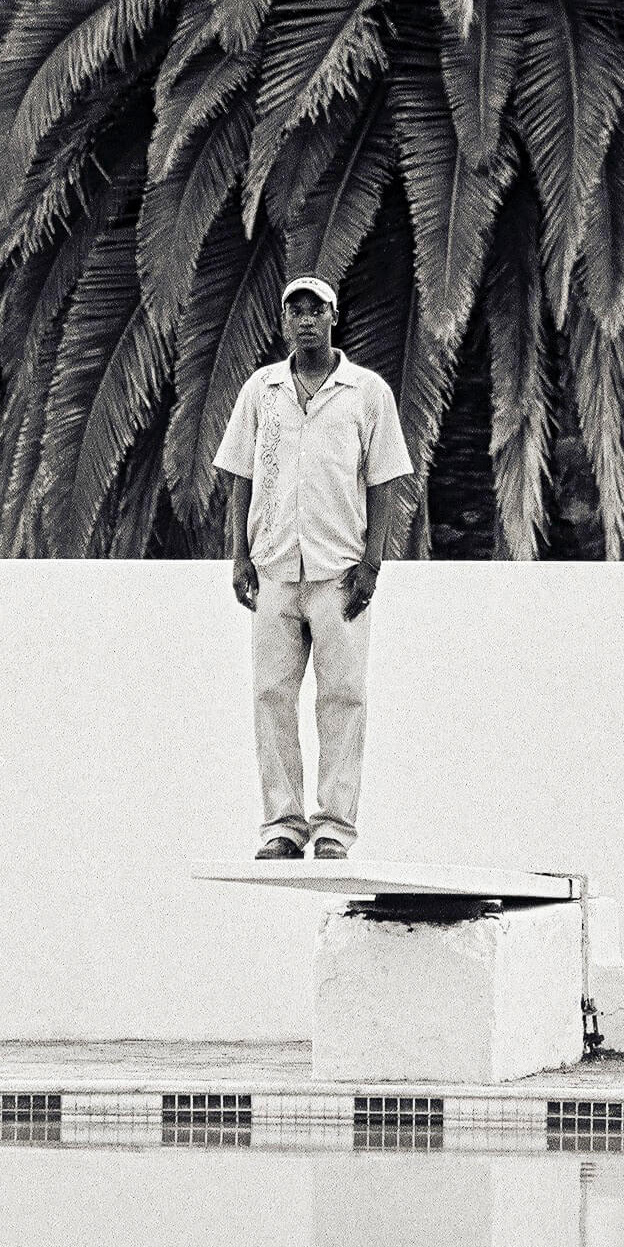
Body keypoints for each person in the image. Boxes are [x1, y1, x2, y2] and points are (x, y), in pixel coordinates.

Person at [213, 275, 413, 860]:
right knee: (271, 695)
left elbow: (385, 483)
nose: (305, 320)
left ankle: (333, 827)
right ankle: (281, 823)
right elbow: (240, 476)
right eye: (294, 310)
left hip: (339, 570)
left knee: (343, 696)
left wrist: (373, 563)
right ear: (283, 322)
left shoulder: (366, 392)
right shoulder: (261, 390)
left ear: (333, 317)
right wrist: (239, 553)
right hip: (274, 566)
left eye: (315, 310)